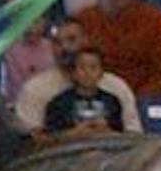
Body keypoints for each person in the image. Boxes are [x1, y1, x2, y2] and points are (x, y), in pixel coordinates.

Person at [11, 17, 140, 135]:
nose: (65, 47)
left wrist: (108, 134)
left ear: (86, 40)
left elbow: (134, 137)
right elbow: (29, 143)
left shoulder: (116, 87)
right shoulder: (35, 89)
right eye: (57, 42)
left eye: (71, 39)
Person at [38, 42, 128, 139]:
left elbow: (120, 134)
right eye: (82, 67)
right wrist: (74, 133)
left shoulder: (112, 101)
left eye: (93, 67)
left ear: (102, 73)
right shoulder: (59, 103)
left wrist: (105, 130)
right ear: (73, 73)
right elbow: (51, 137)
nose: (87, 73)